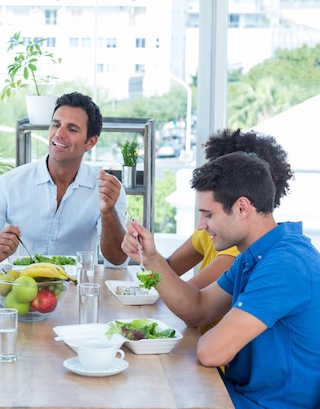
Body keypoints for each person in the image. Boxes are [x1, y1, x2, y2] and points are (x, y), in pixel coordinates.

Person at [122, 151, 320, 408]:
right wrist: (151, 260)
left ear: (241, 207)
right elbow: (198, 309)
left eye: (208, 214)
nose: (201, 225)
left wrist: (214, 336)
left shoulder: (286, 264)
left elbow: (211, 352)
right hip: (236, 396)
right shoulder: (254, 256)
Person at [0, 91, 128, 267]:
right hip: (20, 290)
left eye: (72, 129)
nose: (59, 133)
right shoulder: (10, 184)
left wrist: (108, 212)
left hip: (76, 290)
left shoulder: (107, 190)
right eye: (56, 125)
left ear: (90, 142)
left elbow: (118, 260)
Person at [167, 129, 294, 290]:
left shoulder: (241, 249)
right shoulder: (220, 236)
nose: (201, 224)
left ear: (241, 206)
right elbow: (192, 300)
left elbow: (193, 301)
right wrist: (148, 256)